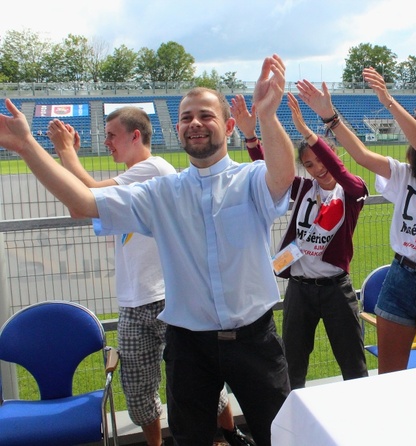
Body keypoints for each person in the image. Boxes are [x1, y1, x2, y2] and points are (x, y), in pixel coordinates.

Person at [0, 54, 295, 446]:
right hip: (189, 345)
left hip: (255, 340)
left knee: (281, 435)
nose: (195, 123)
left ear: (226, 125)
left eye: (205, 116)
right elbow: (84, 202)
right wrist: (27, 146)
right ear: (177, 130)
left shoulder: (251, 179)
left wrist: (268, 114)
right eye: (187, 117)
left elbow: (282, 174)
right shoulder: (161, 192)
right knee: (191, 439)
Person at [47, 109, 254, 446]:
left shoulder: (154, 168)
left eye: (112, 135)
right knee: (139, 388)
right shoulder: (131, 176)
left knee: (198, 378)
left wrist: (67, 151)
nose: (106, 142)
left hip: (167, 295)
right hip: (133, 299)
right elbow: (79, 205)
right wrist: (66, 154)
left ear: (135, 136)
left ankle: (228, 433)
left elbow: (90, 190)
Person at [324, 67, 416, 374]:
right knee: (389, 375)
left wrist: (388, 101)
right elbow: (362, 155)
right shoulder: (404, 174)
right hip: (401, 277)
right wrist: (331, 117)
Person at [231, 90, 369, 389]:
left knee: (353, 364)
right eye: (308, 164)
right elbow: (272, 171)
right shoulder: (305, 188)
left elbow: (343, 174)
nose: (317, 169)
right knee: (292, 365)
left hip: (336, 290)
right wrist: (251, 136)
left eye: (322, 161)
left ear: (333, 158)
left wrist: (307, 131)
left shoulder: (352, 190)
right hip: (300, 290)